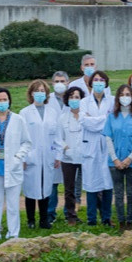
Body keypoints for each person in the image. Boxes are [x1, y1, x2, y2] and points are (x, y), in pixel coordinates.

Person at [0, 88, 33, 240]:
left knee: (12, 204)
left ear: (9, 101)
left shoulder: (18, 120)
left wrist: (18, 157)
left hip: (13, 166)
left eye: (5, 100)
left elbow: (27, 142)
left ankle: (13, 233)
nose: (2, 103)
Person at [21, 80, 59, 229]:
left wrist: (57, 155)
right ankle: (31, 220)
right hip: (31, 156)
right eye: (37, 90)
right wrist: (24, 157)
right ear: (31, 93)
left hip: (48, 155)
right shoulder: (24, 112)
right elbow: (21, 137)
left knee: (46, 187)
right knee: (31, 188)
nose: (40, 93)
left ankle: (44, 219)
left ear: (47, 93)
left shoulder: (52, 112)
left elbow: (57, 135)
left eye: (42, 90)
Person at [104, 84, 132, 230]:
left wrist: (129, 159)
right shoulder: (112, 117)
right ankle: (121, 222)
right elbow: (108, 138)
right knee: (118, 193)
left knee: (131, 193)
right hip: (115, 162)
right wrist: (115, 159)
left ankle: (130, 223)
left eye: (128, 94)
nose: (125, 97)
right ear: (117, 97)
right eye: (122, 94)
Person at [81, 71, 114, 226]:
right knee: (91, 184)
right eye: (96, 80)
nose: (99, 82)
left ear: (106, 83)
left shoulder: (112, 101)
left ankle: (107, 217)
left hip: (107, 145)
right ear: (91, 82)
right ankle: (91, 218)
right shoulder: (84, 102)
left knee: (108, 183)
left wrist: (94, 119)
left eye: (102, 80)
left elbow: (111, 121)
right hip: (91, 145)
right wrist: (104, 119)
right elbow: (84, 122)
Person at [57, 87, 87, 225]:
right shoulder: (62, 118)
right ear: (67, 100)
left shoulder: (87, 116)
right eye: (71, 97)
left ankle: (94, 214)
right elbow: (58, 138)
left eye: (77, 97)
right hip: (68, 157)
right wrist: (65, 148)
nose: (74, 100)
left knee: (90, 185)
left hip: (85, 155)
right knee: (69, 188)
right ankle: (71, 215)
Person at [46, 71, 70, 224]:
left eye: (62, 81)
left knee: (70, 182)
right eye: (57, 81)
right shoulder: (47, 100)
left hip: (70, 145)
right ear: (52, 83)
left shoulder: (74, 98)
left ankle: (70, 212)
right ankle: (50, 213)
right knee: (53, 182)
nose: (60, 83)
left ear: (68, 83)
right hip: (53, 146)